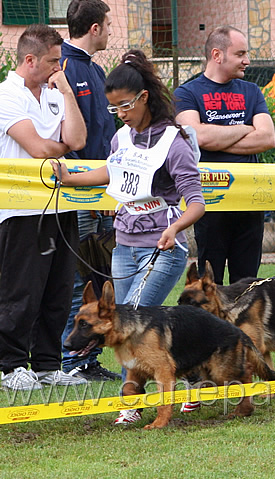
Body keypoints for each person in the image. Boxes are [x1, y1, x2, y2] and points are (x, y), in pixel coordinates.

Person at [51, 49, 205, 422]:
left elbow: (197, 203)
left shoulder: (175, 142)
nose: (120, 114)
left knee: (127, 322)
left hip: (162, 249)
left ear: (144, 98)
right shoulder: (122, 137)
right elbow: (111, 172)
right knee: (130, 322)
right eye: (114, 108)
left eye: (125, 106)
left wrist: (174, 228)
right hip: (124, 244)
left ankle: (130, 404)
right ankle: (198, 379)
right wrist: (71, 177)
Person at [0, 24, 88, 391]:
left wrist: (66, 92)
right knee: (20, 292)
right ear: (29, 59)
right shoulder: (7, 95)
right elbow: (39, 148)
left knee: (58, 289)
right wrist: (60, 146)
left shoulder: (55, 92)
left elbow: (78, 139)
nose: (59, 68)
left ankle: (49, 365)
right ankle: (11, 367)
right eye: (53, 62)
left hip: (59, 205)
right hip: (19, 211)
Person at [174, 26, 275, 285]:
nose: (247, 60)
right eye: (240, 53)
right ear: (217, 55)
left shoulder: (251, 91)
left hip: (249, 201)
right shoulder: (186, 94)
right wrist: (244, 128)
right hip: (210, 202)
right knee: (210, 285)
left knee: (248, 286)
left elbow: (267, 138)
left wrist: (215, 139)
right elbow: (197, 137)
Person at [59, 0, 119, 382]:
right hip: (75, 193)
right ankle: (71, 362)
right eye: (108, 25)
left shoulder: (96, 71)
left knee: (97, 275)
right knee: (77, 278)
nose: (111, 32)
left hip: (102, 191)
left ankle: (87, 359)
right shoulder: (63, 68)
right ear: (94, 28)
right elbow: (68, 136)